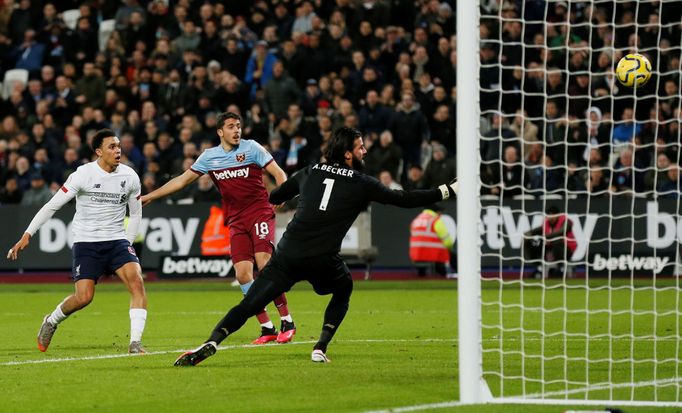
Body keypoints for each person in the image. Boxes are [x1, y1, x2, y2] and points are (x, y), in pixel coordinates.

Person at [173, 127, 459, 366]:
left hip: (288, 254)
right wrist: (448, 190)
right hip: (323, 259)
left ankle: (212, 340)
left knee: (250, 303)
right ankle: (320, 346)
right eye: (360, 147)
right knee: (343, 287)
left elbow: (277, 195)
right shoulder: (363, 183)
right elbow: (405, 199)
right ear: (348, 153)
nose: (364, 151)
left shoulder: (311, 171)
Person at [141, 112, 296, 344]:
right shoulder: (209, 157)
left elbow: (278, 172)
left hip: (260, 212)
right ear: (220, 132)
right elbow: (181, 181)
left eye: (239, 126)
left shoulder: (252, 148)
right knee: (242, 274)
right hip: (236, 219)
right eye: (231, 127)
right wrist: (150, 196)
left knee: (265, 264)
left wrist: (282, 192)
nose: (237, 131)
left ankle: (287, 320)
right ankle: (267, 327)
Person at [6, 129, 147, 354]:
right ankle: (51, 320)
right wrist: (28, 234)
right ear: (99, 151)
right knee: (84, 297)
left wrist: (128, 243)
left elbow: (136, 213)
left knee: (137, 283)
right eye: (111, 146)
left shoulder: (130, 176)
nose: (118, 150)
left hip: (117, 241)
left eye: (118, 145)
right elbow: (52, 205)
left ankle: (135, 343)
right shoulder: (83, 174)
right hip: (87, 242)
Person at [523, 205, 577, 278]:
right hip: (551, 249)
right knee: (528, 242)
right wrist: (528, 235)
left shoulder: (566, 221)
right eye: (549, 215)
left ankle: (560, 268)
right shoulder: (546, 223)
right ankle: (539, 267)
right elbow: (533, 231)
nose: (551, 218)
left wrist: (546, 236)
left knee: (557, 240)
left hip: (566, 250)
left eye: (553, 215)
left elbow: (562, 231)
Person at [409, 204, 456, 278]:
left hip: (415, 254)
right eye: (440, 212)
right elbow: (448, 242)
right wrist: (449, 248)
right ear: (436, 212)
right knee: (451, 255)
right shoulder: (435, 220)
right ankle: (458, 275)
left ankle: (421, 275)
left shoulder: (416, 220)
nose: (440, 214)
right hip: (432, 254)